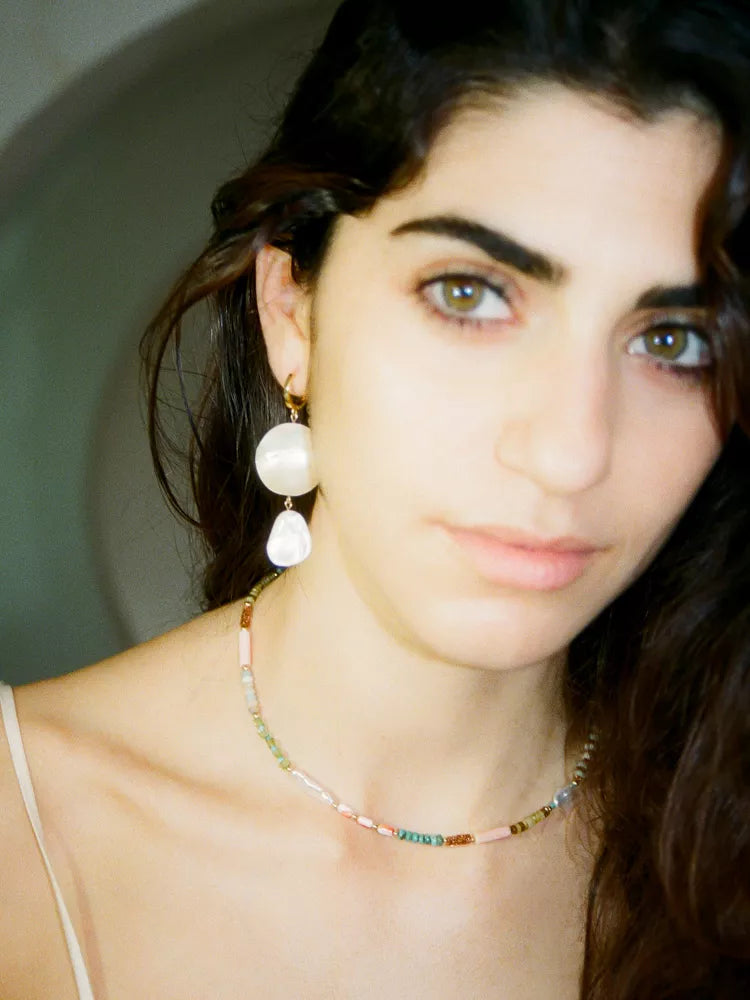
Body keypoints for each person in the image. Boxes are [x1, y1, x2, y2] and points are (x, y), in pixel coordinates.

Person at [2, 0, 750, 996]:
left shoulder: (722, 836)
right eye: (469, 293)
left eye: (672, 339)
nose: (571, 453)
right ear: (291, 311)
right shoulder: (21, 835)